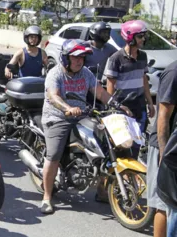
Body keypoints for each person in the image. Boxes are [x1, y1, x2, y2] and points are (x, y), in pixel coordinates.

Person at [40, 39, 131, 214]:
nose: (79, 61)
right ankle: (46, 197)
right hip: (57, 117)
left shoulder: (86, 73)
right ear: (66, 58)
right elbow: (53, 96)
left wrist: (117, 106)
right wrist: (67, 108)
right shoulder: (55, 74)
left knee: (105, 143)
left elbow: (101, 92)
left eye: (82, 57)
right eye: (75, 57)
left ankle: (103, 191)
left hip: (82, 115)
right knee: (54, 155)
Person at [105, 20, 155, 159]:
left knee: (138, 140)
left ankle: (132, 175)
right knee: (123, 144)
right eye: (140, 36)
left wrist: (150, 102)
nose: (143, 39)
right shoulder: (116, 58)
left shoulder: (143, 56)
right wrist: (113, 108)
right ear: (129, 37)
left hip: (139, 105)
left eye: (144, 36)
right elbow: (110, 84)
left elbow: (144, 79)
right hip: (123, 106)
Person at [146, 60, 177, 237]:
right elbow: (163, 117)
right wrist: (164, 156)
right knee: (163, 205)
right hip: (165, 149)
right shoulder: (174, 72)